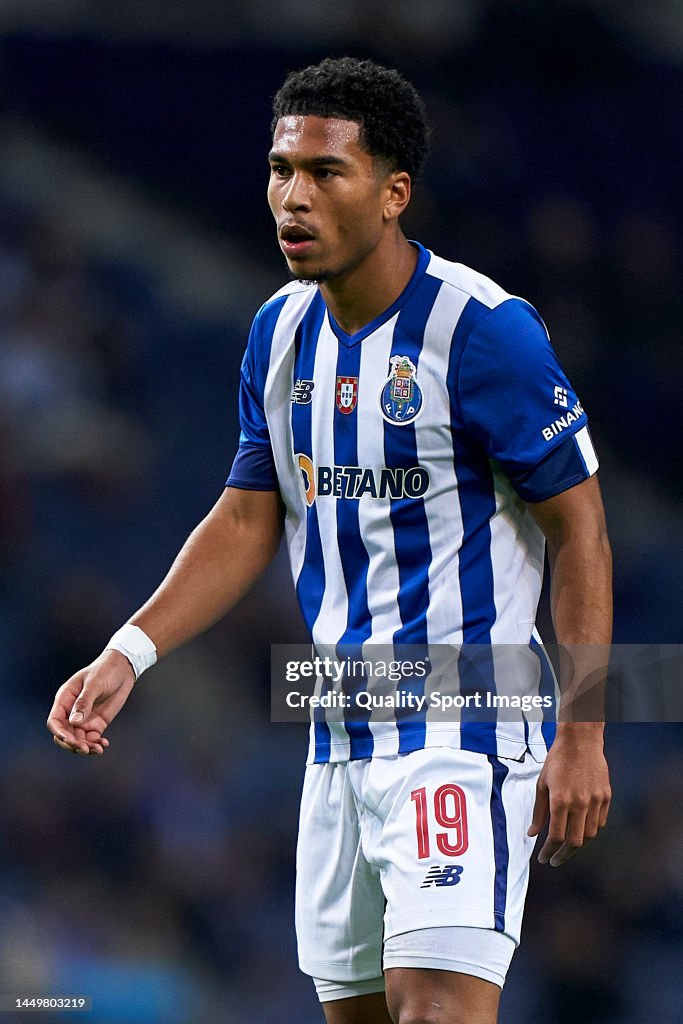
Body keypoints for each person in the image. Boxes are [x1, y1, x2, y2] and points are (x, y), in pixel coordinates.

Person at [47, 57, 612, 1024]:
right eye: (280, 170)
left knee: (436, 1010)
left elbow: (583, 529)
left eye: (324, 174)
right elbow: (247, 512)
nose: (291, 198)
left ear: (393, 194)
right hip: (339, 730)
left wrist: (586, 730)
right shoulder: (276, 332)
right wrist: (130, 650)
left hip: (466, 721)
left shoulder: (482, 332)